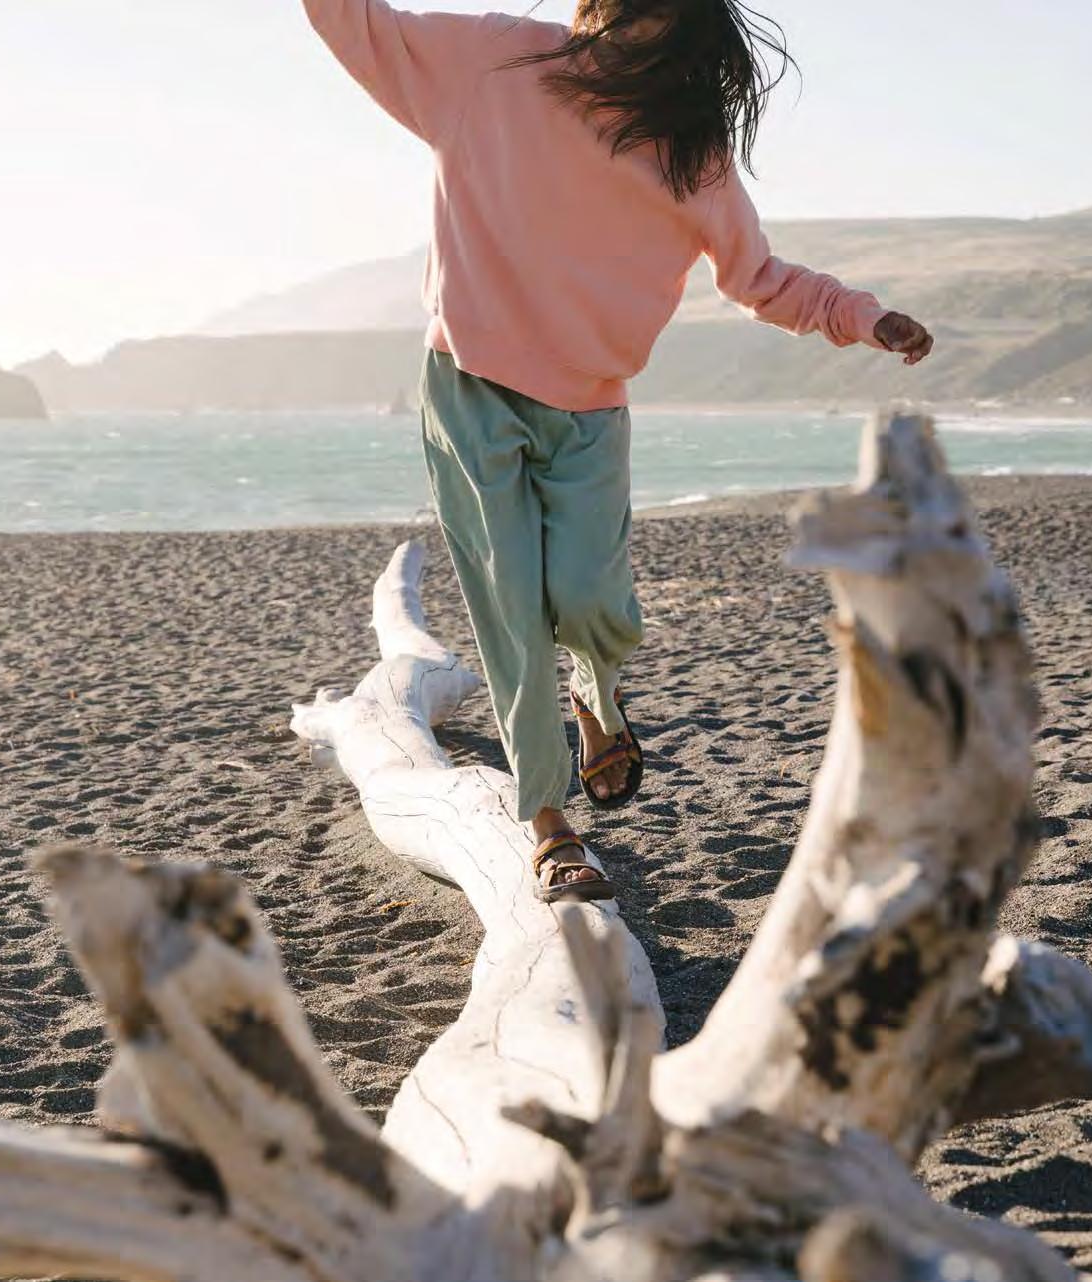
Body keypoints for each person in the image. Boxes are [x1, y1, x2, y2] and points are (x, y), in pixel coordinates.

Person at [303, 0, 934, 903]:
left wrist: (862, 317)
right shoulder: (493, 60)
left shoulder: (690, 153)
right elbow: (354, 23)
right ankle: (548, 823)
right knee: (511, 613)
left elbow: (759, 279)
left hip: (590, 408)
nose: (614, 19)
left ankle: (597, 699)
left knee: (594, 604)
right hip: (469, 387)